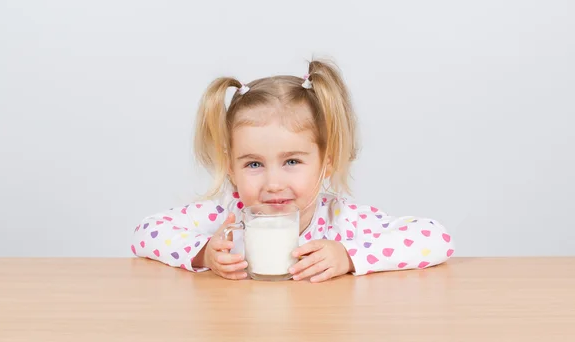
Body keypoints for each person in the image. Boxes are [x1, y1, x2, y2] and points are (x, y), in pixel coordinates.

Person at [132, 59, 454, 282]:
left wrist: (348, 256)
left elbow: (436, 239)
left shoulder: (339, 220)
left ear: (326, 162)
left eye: (291, 162)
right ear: (231, 168)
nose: (274, 183)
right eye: (254, 164)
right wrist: (204, 254)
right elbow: (144, 233)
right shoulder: (228, 219)